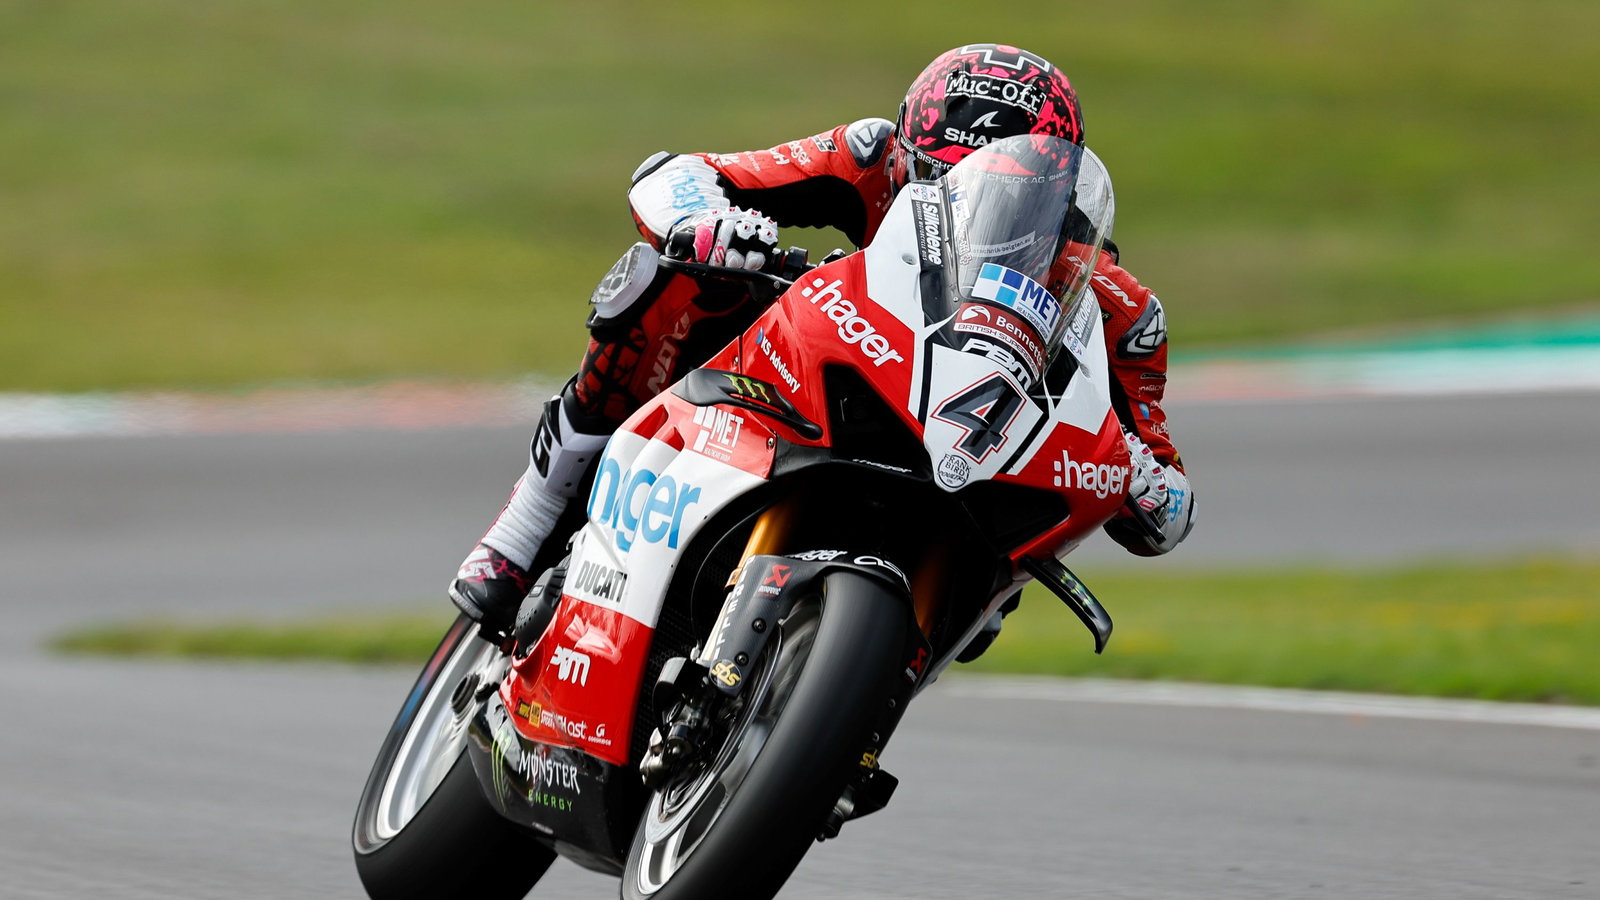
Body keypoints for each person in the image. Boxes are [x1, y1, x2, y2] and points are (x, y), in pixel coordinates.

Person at [449, 44, 1196, 632]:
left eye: (1002, 198)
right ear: (907, 154)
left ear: (1054, 195)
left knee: (1005, 581)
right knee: (666, 278)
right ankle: (532, 517)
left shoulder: (1117, 308)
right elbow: (676, 175)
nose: (961, 207)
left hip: (970, 472)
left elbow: (1170, 510)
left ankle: (841, 724)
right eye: (937, 180)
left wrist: (1134, 471)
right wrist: (710, 227)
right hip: (832, 376)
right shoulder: (871, 158)